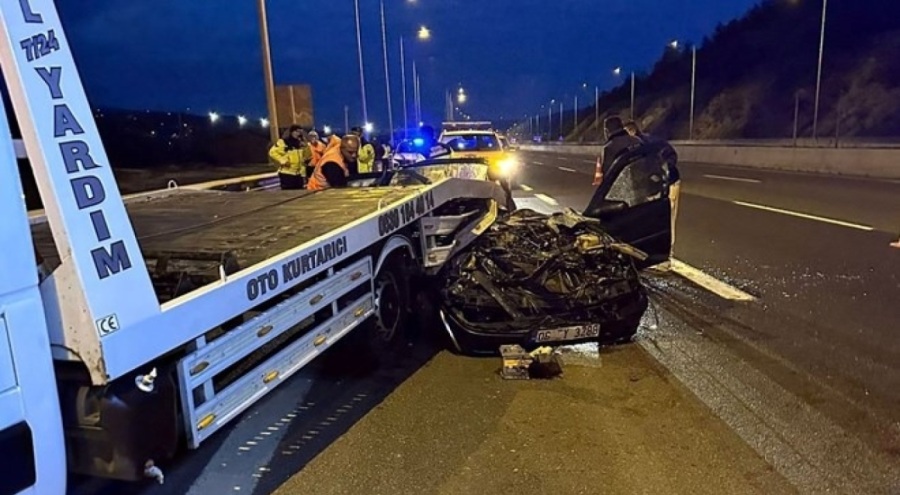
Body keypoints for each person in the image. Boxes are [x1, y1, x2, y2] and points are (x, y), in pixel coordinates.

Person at [625, 120, 681, 271]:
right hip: (650, 187)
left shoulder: (652, 144)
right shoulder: (633, 147)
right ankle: (650, 255)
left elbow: (671, 156)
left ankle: (667, 256)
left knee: (667, 218)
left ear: (633, 132)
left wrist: (661, 172)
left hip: (669, 183)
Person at [598, 116, 642, 183]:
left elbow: (608, 174)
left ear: (606, 131)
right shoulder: (637, 140)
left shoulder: (609, 147)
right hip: (642, 182)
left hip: (624, 186)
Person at [268, 125, 310, 190]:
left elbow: (307, 156)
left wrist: (306, 146)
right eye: (297, 131)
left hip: (298, 174)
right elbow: (272, 152)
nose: (299, 134)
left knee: (299, 195)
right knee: (288, 194)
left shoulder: (301, 143)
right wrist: (283, 160)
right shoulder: (284, 142)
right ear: (292, 132)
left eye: (300, 132)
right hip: (287, 173)